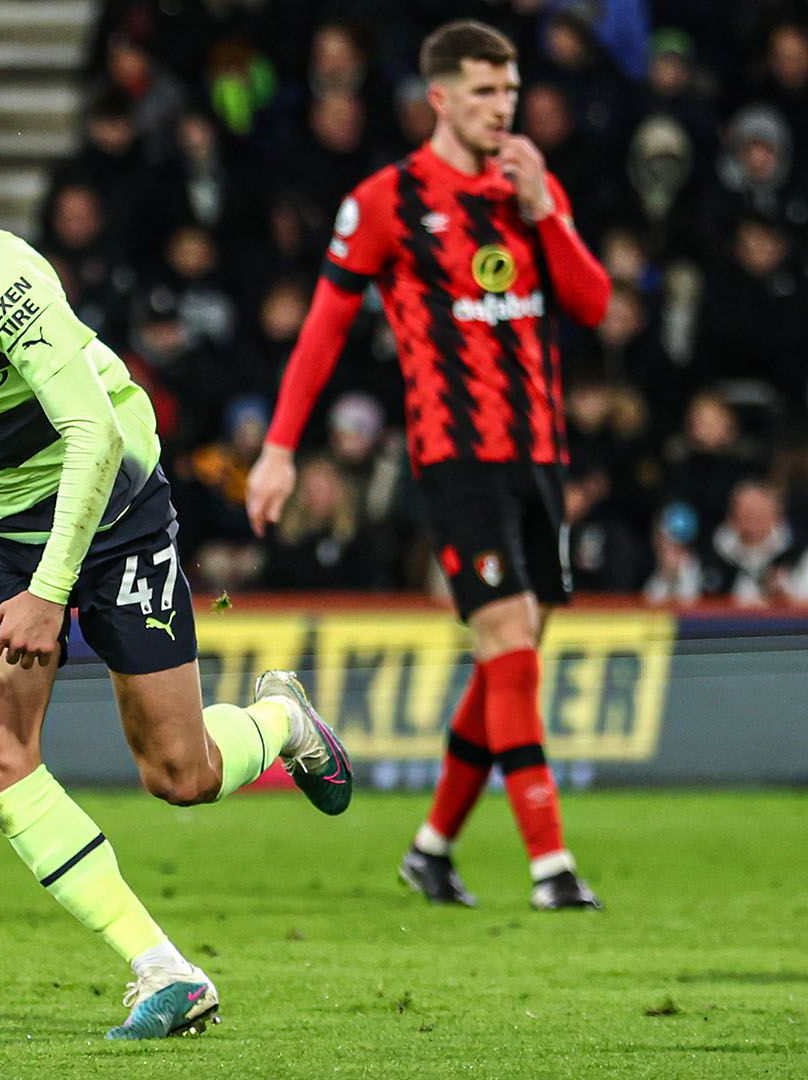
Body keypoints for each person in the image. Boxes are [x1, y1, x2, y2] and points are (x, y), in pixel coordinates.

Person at [0, 97, 353, 1041]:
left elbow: (92, 432)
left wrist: (49, 594)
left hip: (114, 508)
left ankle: (283, 721)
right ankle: (164, 969)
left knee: (180, 774)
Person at [245, 21, 613, 912]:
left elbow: (593, 304)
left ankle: (432, 849)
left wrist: (546, 210)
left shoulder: (531, 186)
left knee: (510, 658)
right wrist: (280, 449)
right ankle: (551, 866)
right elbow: (323, 331)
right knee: (509, 640)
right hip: (455, 457)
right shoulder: (387, 201)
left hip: (539, 454)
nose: (503, 109)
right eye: (485, 92)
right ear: (441, 98)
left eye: (511, 92)